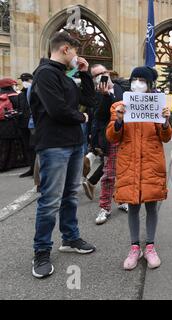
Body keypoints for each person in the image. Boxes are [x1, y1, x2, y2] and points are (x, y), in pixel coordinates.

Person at [30, 31, 96, 279]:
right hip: (54, 145)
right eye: (75, 51)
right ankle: (41, 251)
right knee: (50, 201)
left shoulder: (66, 76)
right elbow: (57, 110)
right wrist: (81, 117)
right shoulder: (45, 74)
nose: (77, 56)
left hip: (74, 143)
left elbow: (89, 100)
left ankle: (70, 237)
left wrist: (85, 73)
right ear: (65, 49)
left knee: (70, 194)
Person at [106, 66, 172, 271]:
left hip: (152, 163)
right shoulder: (119, 105)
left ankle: (150, 246)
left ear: (149, 84)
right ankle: (135, 247)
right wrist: (118, 121)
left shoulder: (158, 105)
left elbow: (166, 136)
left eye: (142, 80)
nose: (137, 83)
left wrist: (165, 122)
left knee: (152, 206)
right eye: (135, 79)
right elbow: (111, 137)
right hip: (129, 163)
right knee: (133, 206)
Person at [82, 64, 128, 225]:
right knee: (109, 174)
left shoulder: (123, 88)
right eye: (95, 75)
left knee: (125, 172)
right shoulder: (96, 95)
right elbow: (99, 116)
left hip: (127, 137)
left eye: (102, 73)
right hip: (110, 137)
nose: (100, 76)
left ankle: (122, 200)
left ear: (108, 73)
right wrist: (106, 96)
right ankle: (105, 207)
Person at [0, 78, 28, 172]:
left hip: (2, 123)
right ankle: (14, 163)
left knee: (4, 145)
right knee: (14, 144)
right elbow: (21, 110)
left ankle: (3, 164)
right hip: (12, 123)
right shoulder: (16, 96)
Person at [17, 73, 35, 178]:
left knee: (35, 147)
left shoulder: (34, 91)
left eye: (26, 79)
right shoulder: (20, 94)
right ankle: (31, 168)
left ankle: (36, 169)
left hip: (33, 123)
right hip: (23, 124)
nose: (24, 81)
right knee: (28, 147)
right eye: (23, 80)